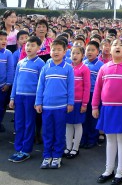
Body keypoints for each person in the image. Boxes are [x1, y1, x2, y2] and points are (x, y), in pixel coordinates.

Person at [93, 38, 122, 185]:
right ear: (109, 49)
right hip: (107, 108)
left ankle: (120, 171)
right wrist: (95, 106)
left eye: (121, 45)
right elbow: (98, 89)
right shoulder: (104, 68)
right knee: (110, 139)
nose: (118, 47)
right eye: (114, 45)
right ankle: (109, 170)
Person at [35, 38, 74, 169]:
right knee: (47, 132)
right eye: (53, 49)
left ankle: (57, 156)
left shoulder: (68, 68)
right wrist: (38, 102)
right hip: (46, 106)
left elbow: (70, 88)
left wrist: (70, 103)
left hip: (61, 107)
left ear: (65, 52)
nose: (56, 52)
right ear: (49, 51)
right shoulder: (45, 68)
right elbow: (40, 87)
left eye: (59, 50)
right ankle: (47, 156)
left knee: (59, 132)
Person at [9, 35, 45, 162]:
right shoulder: (21, 62)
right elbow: (16, 81)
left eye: (33, 45)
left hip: (31, 98)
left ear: (39, 48)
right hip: (19, 97)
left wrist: (38, 100)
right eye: (27, 45)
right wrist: (12, 98)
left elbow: (41, 85)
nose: (29, 47)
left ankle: (26, 150)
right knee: (19, 123)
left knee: (29, 124)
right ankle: (18, 148)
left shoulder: (40, 63)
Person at [64, 45, 90, 159]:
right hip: (69, 102)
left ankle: (75, 148)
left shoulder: (85, 69)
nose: (75, 56)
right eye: (73, 53)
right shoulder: (68, 68)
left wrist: (84, 103)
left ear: (82, 55)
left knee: (77, 124)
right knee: (68, 124)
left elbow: (87, 87)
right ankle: (68, 147)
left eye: (77, 53)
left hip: (79, 102)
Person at [81, 39, 102, 148]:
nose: (90, 52)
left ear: (98, 52)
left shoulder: (101, 65)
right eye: (88, 50)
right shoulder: (83, 63)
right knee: (84, 117)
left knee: (93, 117)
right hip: (83, 94)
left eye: (93, 50)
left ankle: (92, 139)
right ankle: (83, 138)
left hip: (94, 94)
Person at [0, 30, 14, 133]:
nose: (3, 41)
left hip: (2, 86)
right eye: (1, 39)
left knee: (1, 107)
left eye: (5, 39)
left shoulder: (8, 53)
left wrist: (8, 83)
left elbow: (10, 69)